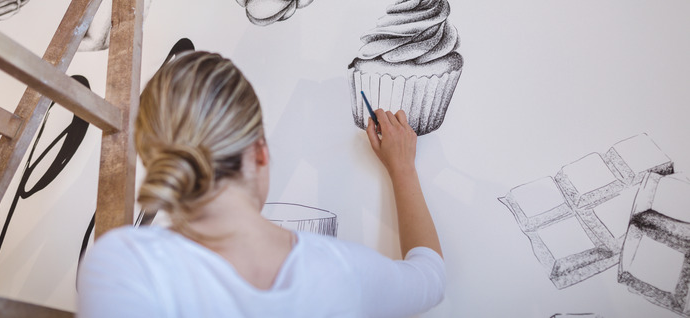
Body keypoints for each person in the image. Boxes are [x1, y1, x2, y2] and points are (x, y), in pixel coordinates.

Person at [77, 51, 445, 317]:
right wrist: (403, 169)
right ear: (260, 152)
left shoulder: (124, 262)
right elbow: (431, 275)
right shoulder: (344, 270)